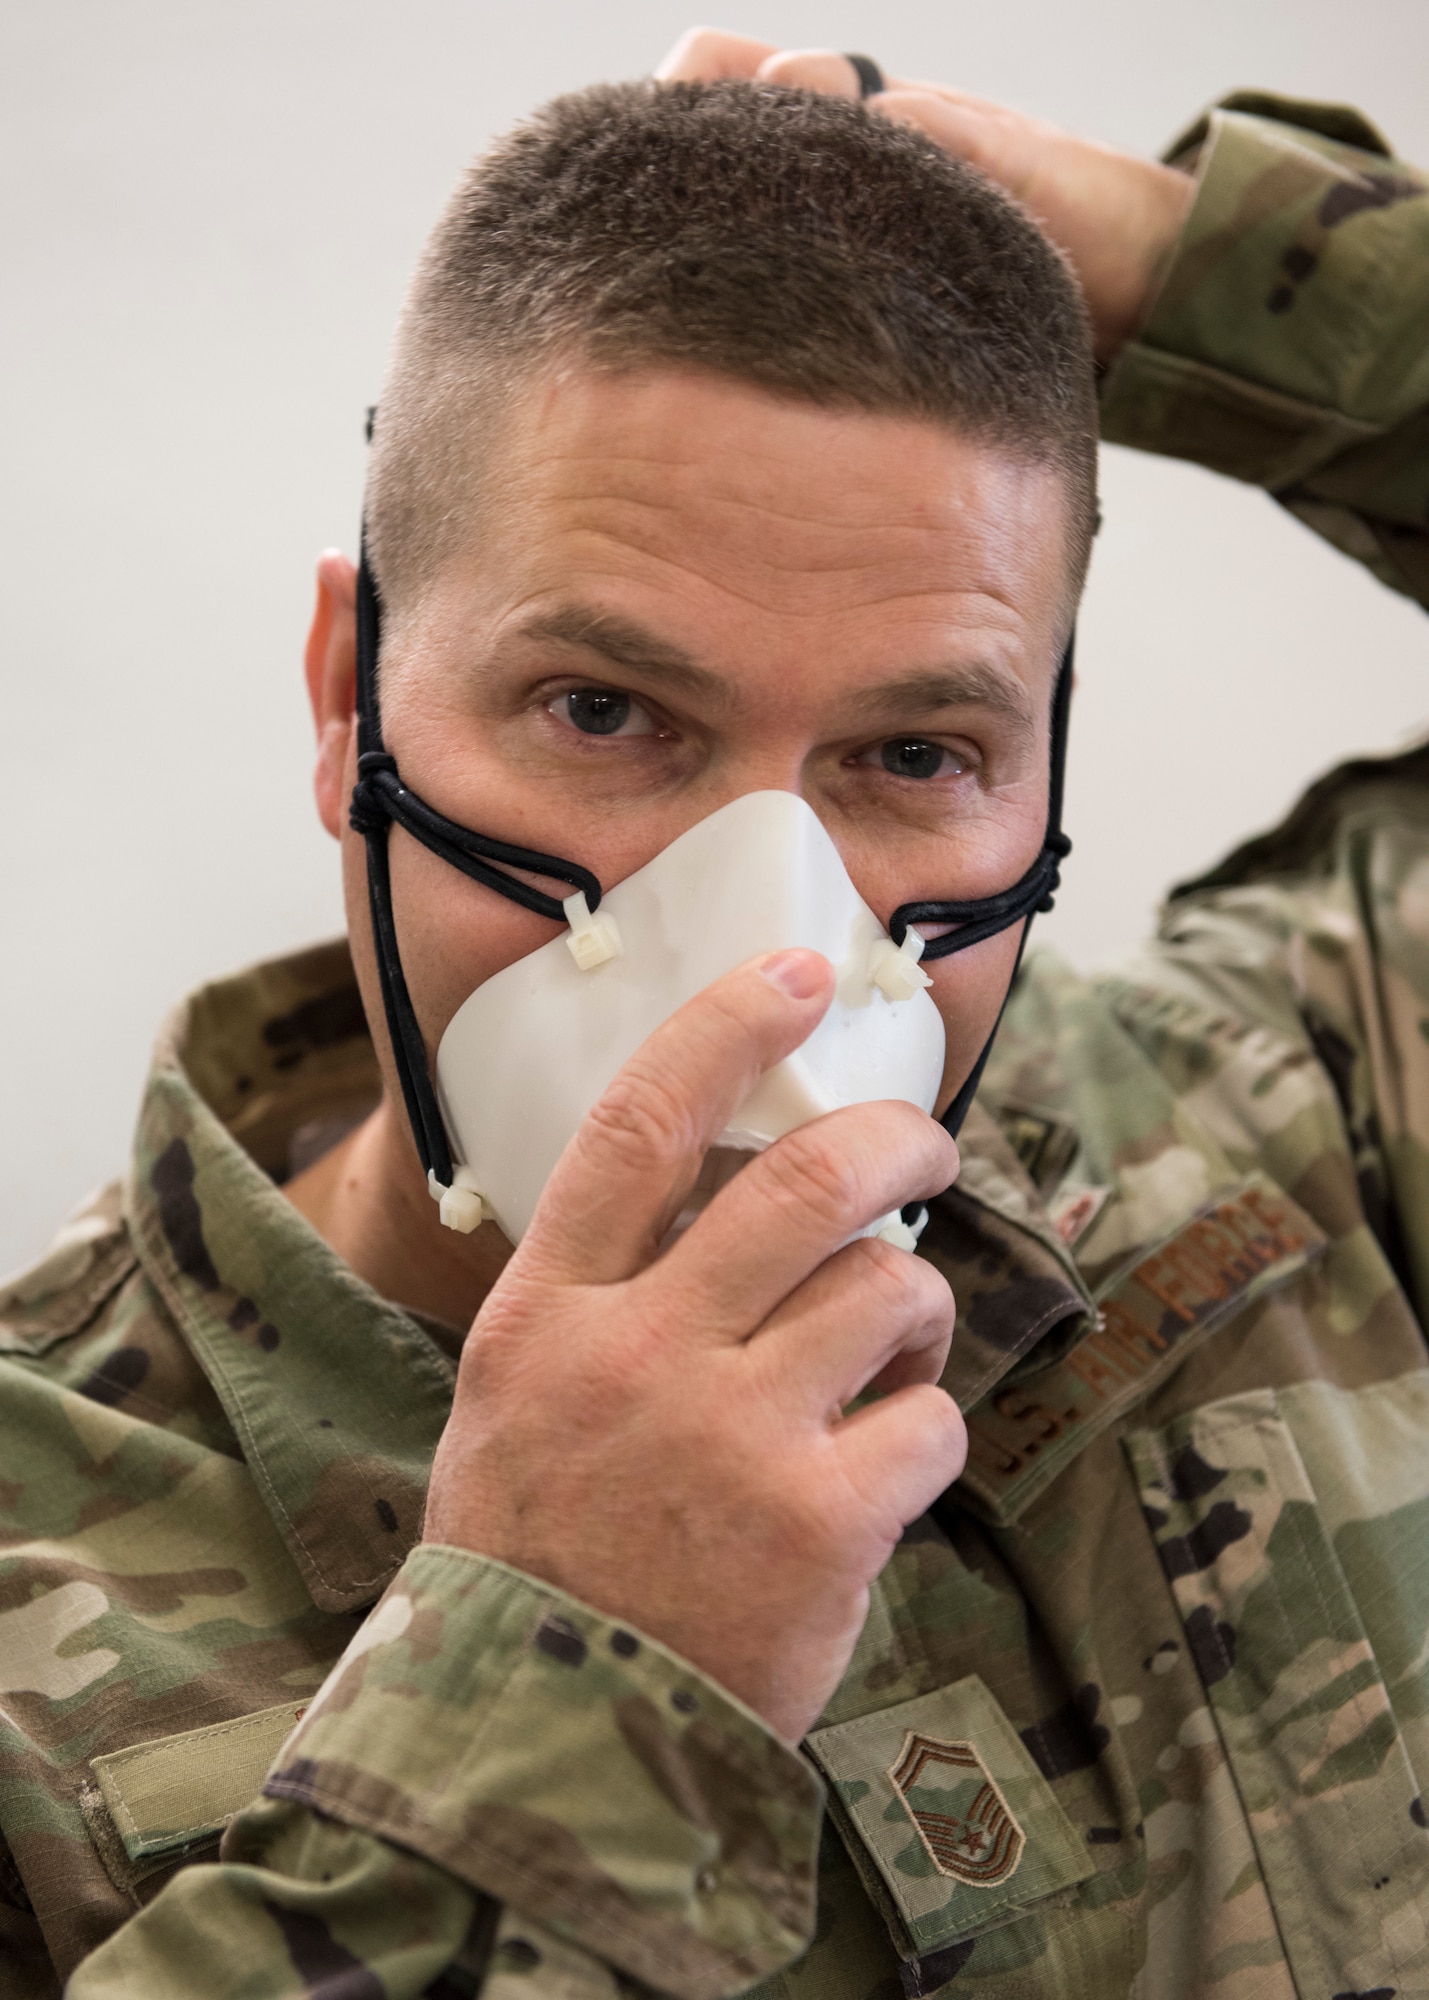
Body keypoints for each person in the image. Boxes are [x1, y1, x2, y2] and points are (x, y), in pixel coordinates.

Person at [2, 24, 1426, 1999]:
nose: (761, 945)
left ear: (1037, 771)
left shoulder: (1308, 1102)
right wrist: (558, 1691)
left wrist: (1212, 272)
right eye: (605, 713)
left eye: (915, 749)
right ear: (352, 704)